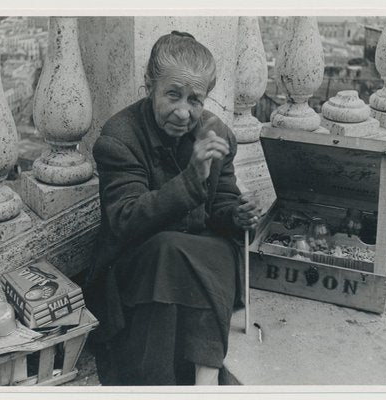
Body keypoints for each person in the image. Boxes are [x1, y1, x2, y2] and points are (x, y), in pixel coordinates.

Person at [85, 31, 260, 386]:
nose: (184, 112)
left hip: (194, 263)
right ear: (149, 84)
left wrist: (239, 216)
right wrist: (193, 178)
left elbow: (223, 205)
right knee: (170, 249)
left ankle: (205, 377)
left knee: (220, 249)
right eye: (172, 95)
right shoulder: (120, 137)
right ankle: (191, 377)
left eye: (195, 99)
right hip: (134, 268)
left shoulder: (217, 134)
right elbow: (125, 221)